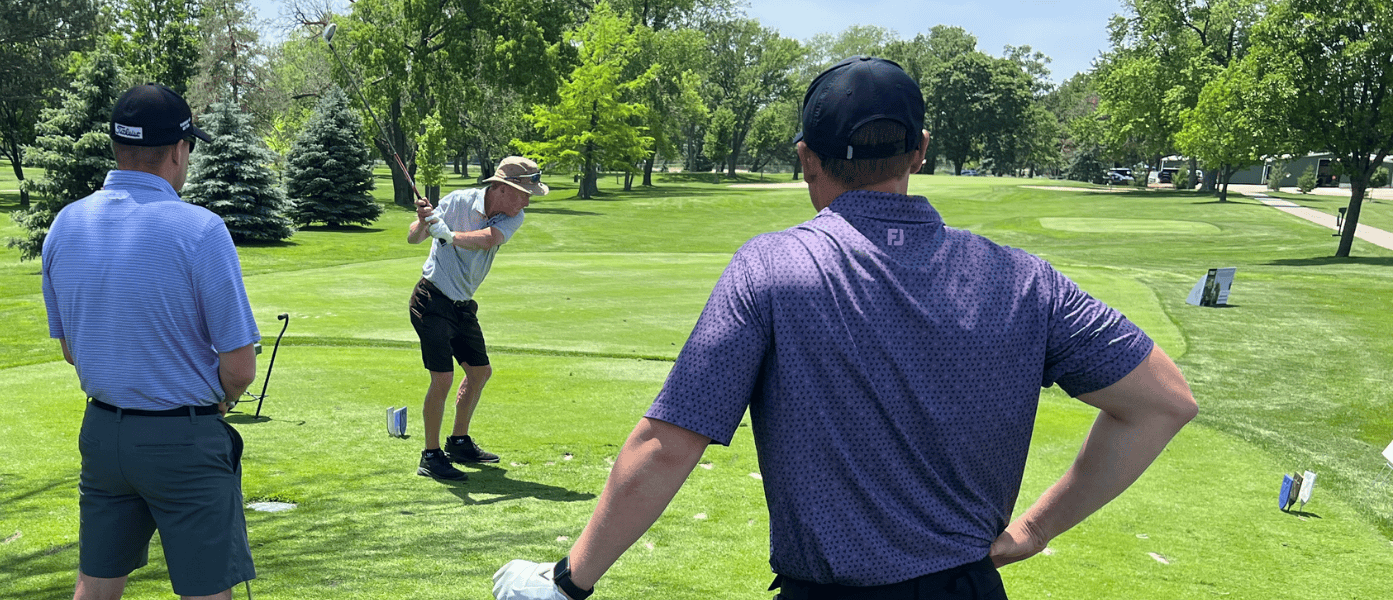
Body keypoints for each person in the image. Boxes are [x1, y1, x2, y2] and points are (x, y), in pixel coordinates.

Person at [494, 56, 1199, 600]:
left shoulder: (771, 267)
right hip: (968, 586)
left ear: (806, 156)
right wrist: (1035, 531)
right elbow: (1163, 401)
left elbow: (667, 443)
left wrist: (568, 581)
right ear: (919, 150)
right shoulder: (1024, 279)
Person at [43, 83, 261, 600]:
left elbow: (72, 349)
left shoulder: (66, 222)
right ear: (179, 150)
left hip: (102, 435)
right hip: (182, 439)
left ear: (118, 147)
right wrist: (224, 398)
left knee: (95, 586)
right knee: (208, 591)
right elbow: (240, 367)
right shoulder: (201, 229)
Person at [406, 156, 548, 481]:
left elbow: (487, 238)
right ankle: (430, 456)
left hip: (462, 304)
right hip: (431, 299)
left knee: (480, 372)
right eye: (524, 193)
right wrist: (424, 221)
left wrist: (450, 235)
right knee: (442, 379)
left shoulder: (514, 216)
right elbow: (414, 238)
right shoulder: (457, 201)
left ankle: (458, 441)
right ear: (500, 188)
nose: (527, 201)